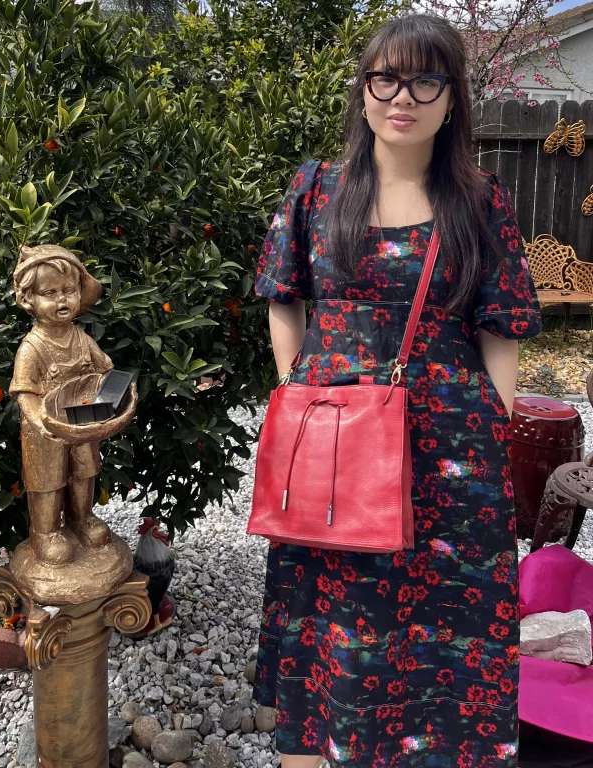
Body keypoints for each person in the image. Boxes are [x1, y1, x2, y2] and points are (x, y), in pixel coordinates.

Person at [251, 13, 542, 768]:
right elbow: (283, 295)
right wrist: (298, 395)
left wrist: (490, 430)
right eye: (385, 77)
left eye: (424, 78)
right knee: (339, 608)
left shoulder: (481, 202)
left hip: (449, 458)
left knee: (443, 621)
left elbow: (501, 328)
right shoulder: (316, 190)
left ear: (452, 98)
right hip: (337, 446)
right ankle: (323, 750)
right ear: (365, 89)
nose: (400, 95)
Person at [10, 244, 115, 563]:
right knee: (48, 480)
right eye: (50, 292)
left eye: (69, 290)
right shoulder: (32, 347)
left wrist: (111, 401)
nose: (62, 299)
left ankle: (81, 519)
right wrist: (40, 422)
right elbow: (25, 393)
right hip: (45, 432)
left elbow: (107, 371)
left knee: (84, 472)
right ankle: (46, 533)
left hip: (83, 422)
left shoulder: (82, 339)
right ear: (29, 298)